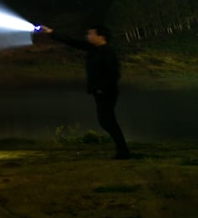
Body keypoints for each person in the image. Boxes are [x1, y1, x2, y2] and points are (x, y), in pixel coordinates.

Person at [39, 25, 131, 160]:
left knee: (107, 121)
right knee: (107, 121)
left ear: (101, 36)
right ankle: (122, 151)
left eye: (91, 34)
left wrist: (101, 88)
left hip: (107, 92)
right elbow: (71, 42)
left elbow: (114, 73)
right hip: (100, 92)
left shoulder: (108, 52)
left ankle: (123, 152)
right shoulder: (93, 48)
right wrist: (51, 32)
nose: (88, 36)